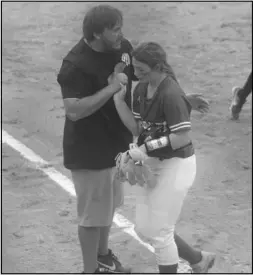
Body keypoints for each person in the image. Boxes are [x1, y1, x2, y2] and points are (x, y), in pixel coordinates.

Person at [57, 5, 212, 274]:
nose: (121, 34)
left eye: (120, 28)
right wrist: (112, 89)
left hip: (120, 147)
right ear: (97, 33)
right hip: (88, 148)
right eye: (114, 29)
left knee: (111, 210)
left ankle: (104, 258)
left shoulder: (124, 48)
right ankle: (90, 270)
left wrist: (182, 100)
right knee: (97, 216)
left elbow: (161, 79)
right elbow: (73, 110)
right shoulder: (75, 65)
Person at [113, 42, 215, 273]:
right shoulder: (142, 90)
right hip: (152, 164)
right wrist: (119, 101)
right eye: (135, 69)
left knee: (160, 233)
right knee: (144, 229)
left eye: (141, 70)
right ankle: (199, 260)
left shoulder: (171, 93)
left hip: (176, 165)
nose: (136, 74)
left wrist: (146, 149)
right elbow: (138, 128)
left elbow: (182, 138)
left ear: (157, 66)